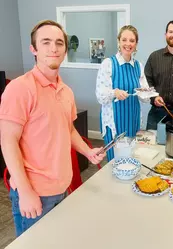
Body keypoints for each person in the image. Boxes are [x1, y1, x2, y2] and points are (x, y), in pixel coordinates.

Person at [0, 20, 105, 237]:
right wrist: (26, 191)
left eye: (59, 43)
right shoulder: (20, 89)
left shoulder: (66, 91)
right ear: (34, 49)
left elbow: (68, 130)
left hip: (61, 188)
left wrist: (87, 151)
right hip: (34, 193)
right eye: (45, 42)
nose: (53, 48)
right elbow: (8, 142)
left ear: (65, 50)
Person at [96, 25, 149, 161]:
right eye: (124, 40)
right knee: (115, 160)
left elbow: (144, 97)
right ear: (118, 41)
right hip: (114, 121)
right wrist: (115, 92)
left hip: (133, 119)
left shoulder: (138, 66)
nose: (128, 44)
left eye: (132, 41)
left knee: (131, 158)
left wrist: (150, 94)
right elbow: (100, 95)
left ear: (136, 44)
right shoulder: (108, 64)